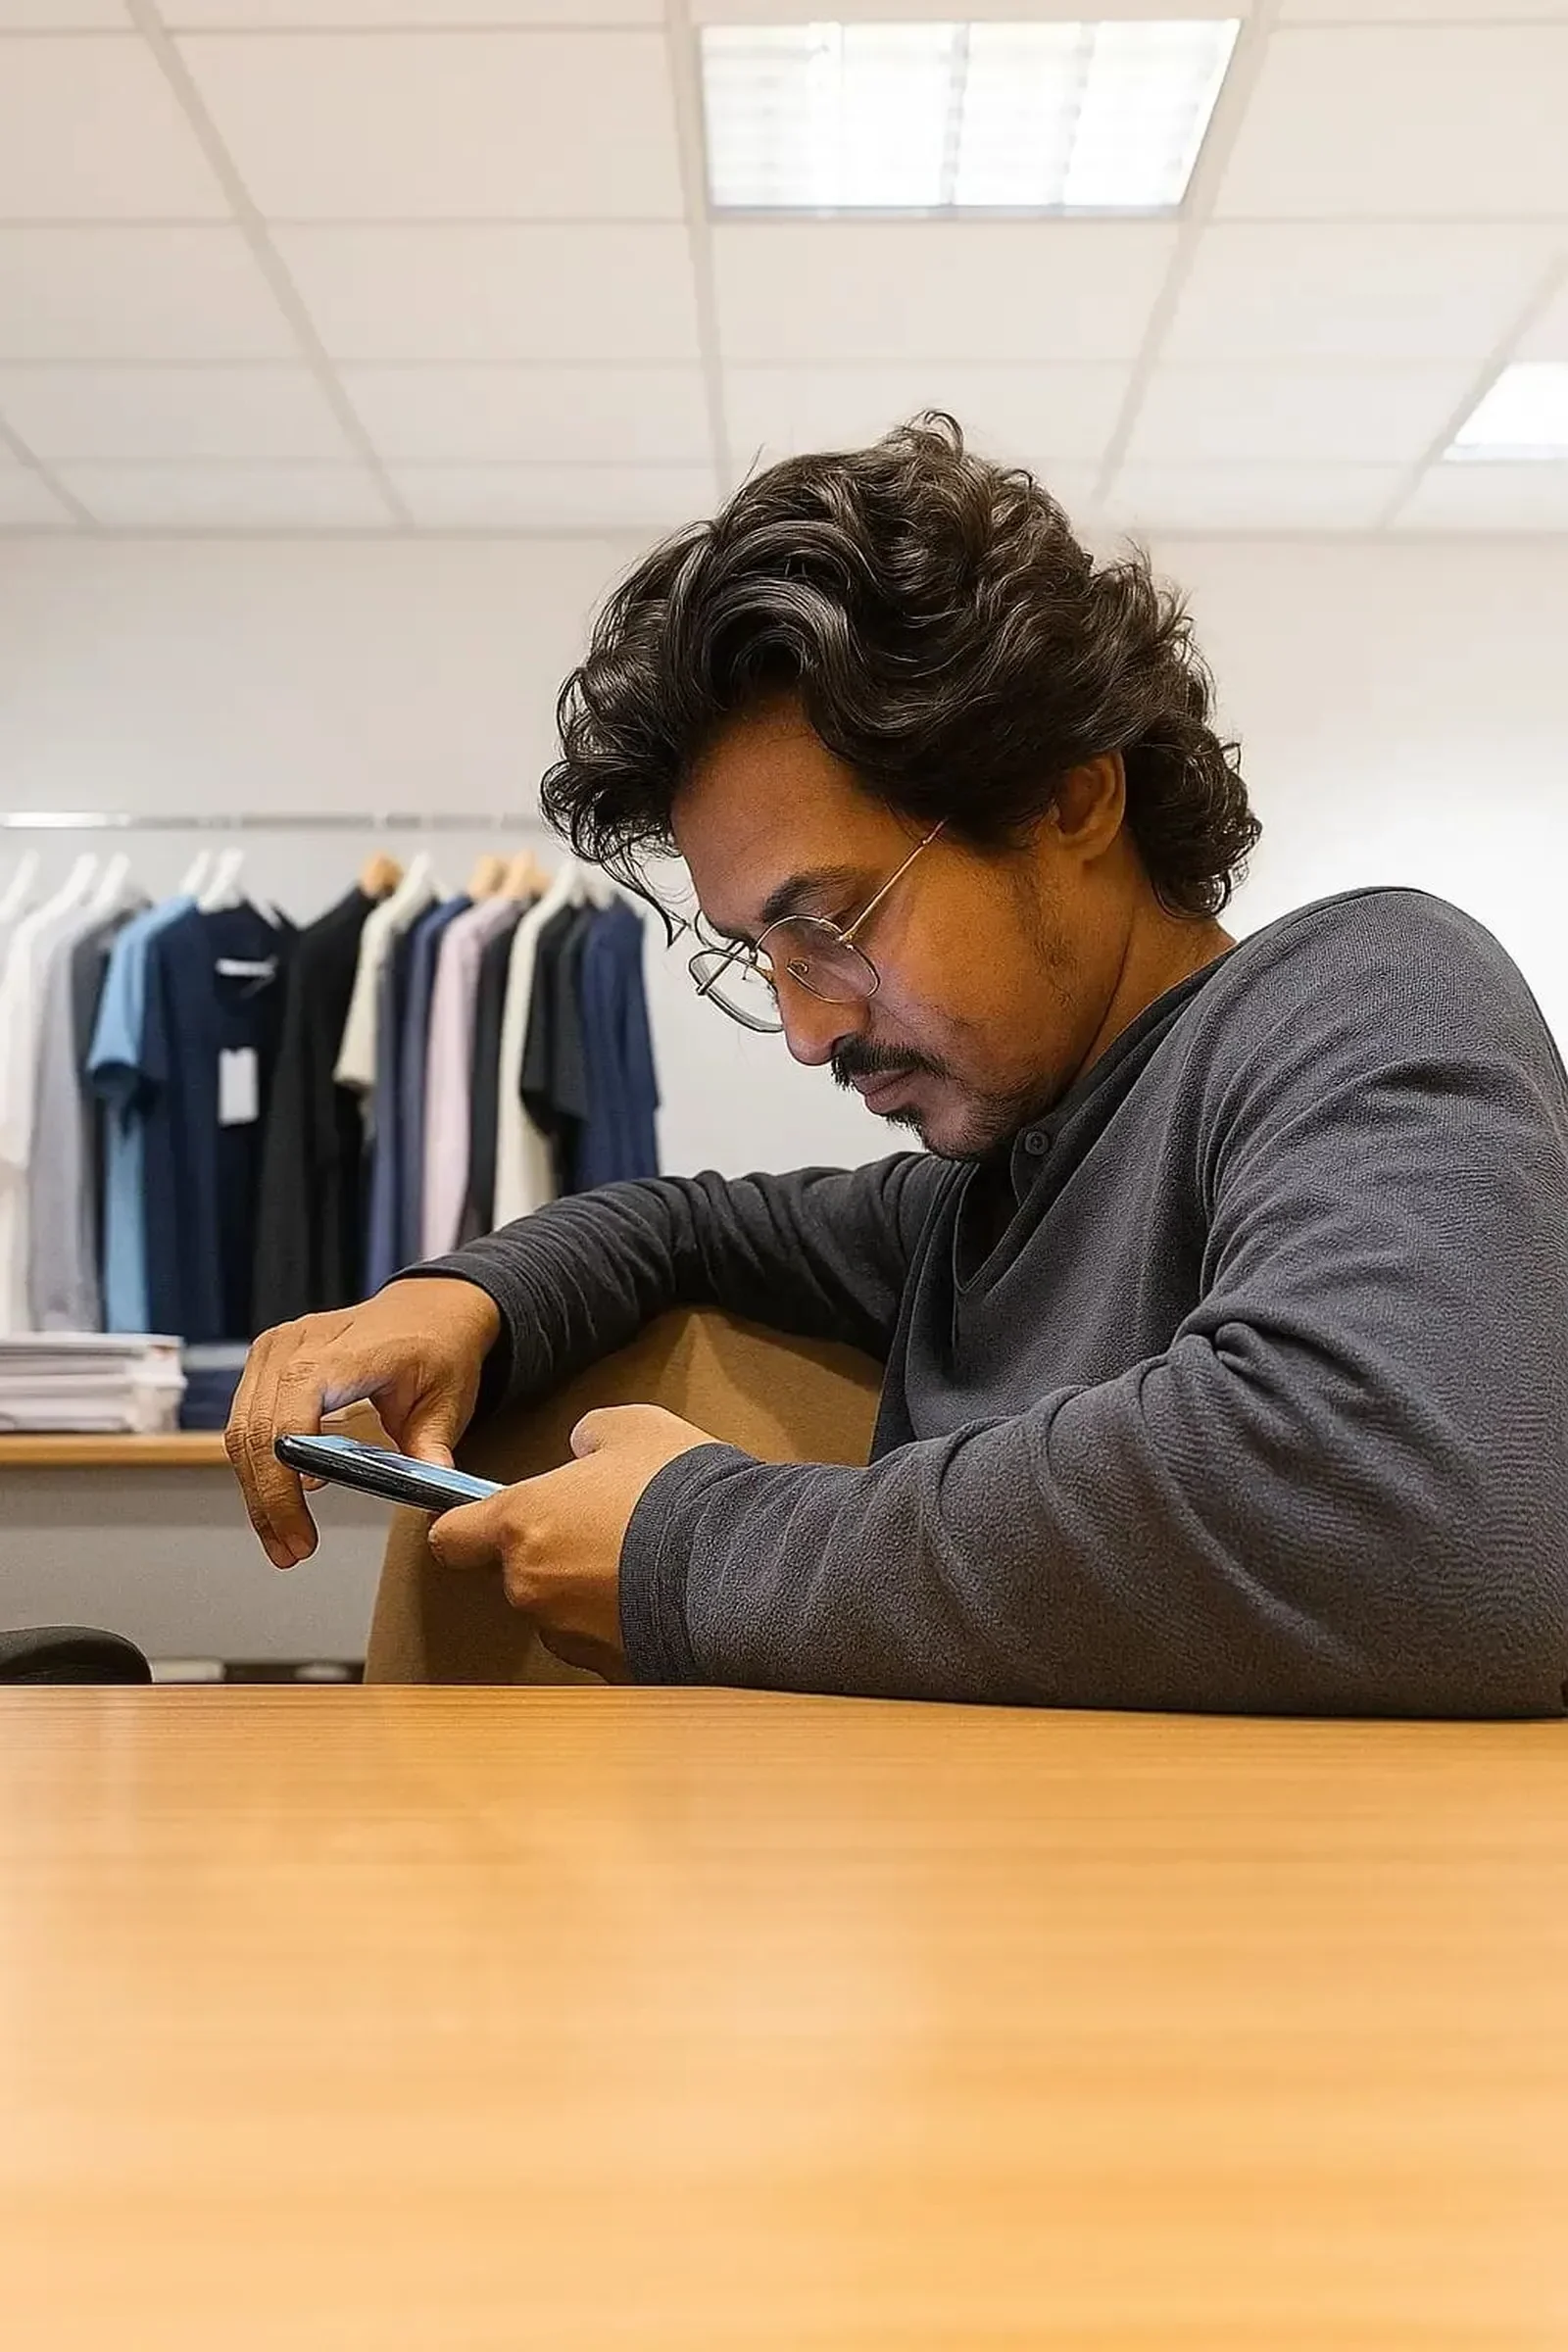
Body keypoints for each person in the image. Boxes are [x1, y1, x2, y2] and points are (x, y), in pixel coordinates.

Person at [227, 415, 1568, 1715]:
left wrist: (691, 1550)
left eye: (833, 925)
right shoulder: (989, 1190)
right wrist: (461, 1296)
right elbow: (685, 1223)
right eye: (760, 952)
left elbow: (1421, 1514)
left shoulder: (1366, 993)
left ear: (1069, 798)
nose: (809, 1029)